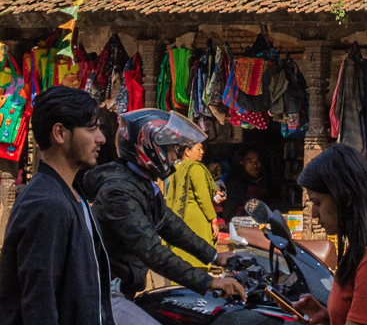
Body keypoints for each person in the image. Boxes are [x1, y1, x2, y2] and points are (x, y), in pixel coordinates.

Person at [80, 108, 247, 317]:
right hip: (105, 294)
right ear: (148, 148)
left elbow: (170, 224)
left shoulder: (141, 183)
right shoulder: (119, 192)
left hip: (121, 289)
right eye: (169, 148)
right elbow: (152, 251)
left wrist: (214, 255)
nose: (174, 155)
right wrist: (209, 282)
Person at [0, 86, 112, 325]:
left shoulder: (70, 194)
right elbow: (39, 305)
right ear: (60, 133)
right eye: (91, 128)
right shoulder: (47, 205)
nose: (101, 138)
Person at [296, 143, 367, 325]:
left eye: (317, 203)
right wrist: (327, 317)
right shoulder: (361, 249)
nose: (314, 214)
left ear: (346, 198)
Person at [165, 135, 218, 267]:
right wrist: (213, 219)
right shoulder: (195, 168)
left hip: (180, 218)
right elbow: (203, 198)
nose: (202, 152)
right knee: (198, 261)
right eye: (199, 149)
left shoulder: (176, 168)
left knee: (180, 264)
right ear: (187, 152)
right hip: (196, 221)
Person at [222, 147, 272, 219]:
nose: (255, 165)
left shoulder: (262, 181)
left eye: (257, 161)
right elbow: (229, 208)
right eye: (250, 161)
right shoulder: (236, 182)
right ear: (242, 163)